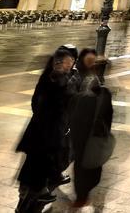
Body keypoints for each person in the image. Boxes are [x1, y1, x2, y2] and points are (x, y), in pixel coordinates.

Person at [16, 48, 75, 212]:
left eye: (71, 63)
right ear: (58, 63)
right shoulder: (54, 80)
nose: (70, 66)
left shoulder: (56, 78)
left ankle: (32, 193)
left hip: (48, 131)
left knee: (39, 163)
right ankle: (29, 195)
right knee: (36, 163)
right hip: (44, 131)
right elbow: (42, 104)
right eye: (68, 63)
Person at [69, 49, 113, 208]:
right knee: (82, 164)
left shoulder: (104, 90)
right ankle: (81, 195)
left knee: (91, 165)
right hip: (83, 131)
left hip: (92, 132)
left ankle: (83, 193)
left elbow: (108, 115)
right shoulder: (85, 83)